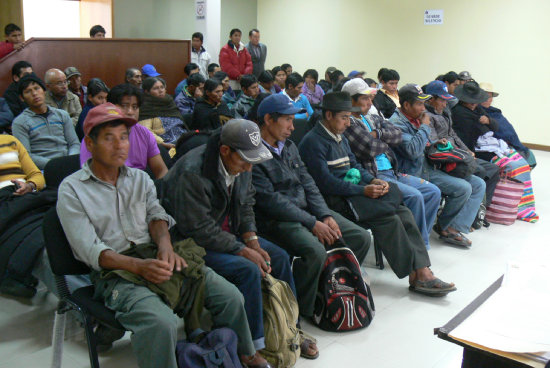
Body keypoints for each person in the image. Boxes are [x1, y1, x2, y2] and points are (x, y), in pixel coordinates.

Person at [58, 103, 256, 368]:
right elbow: (90, 249)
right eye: (109, 138)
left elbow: (157, 215)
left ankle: (243, 354)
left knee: (230, 297)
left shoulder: (139, 178)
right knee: (161, 323)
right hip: (115, 272)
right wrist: (139, 266)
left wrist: (165, 245)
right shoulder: (72, 190)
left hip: (154, 254)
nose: (120, 145)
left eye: (124, 137)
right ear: (90, 145)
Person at [161, 119, 313, 366]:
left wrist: (251, 239)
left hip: (226, 233)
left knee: (280, 257)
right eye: (244, 161)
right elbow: (198, 230)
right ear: (225, 151)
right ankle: (250, 347)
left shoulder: (242, 166)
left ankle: (290, 329)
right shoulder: (192, 173)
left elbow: (246, 204)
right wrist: (241, 250)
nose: (248, 168)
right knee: (248, 269)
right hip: (191, 243)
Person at [299, 92, 456, 296]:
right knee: (388, 218)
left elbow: (354, 165)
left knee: (403, 211)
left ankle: (421, 271)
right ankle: (417, 274)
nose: (348, 123)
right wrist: (363, 189)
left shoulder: (339, 137)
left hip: (352, 193)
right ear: (329, 115)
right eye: (344, 117)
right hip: (336, 200)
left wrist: (372, 180)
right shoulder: (313, 143)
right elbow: (325, 184)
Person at [251, 93, 371, 317]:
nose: (293, 127)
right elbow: (271, 201)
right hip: (277, 220)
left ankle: (331, 288)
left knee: (360, 237)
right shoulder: (254, 153)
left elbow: (308, 183)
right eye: (287, 120)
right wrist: (312, 222)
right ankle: (301, 310)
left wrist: (324, 215)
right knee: (315, 251)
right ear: (268, 119)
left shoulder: (289, 147)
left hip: (307, 211)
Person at [341, 79, 441, 250]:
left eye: (369, 98)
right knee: (414, 196)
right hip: (374, 175)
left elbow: (397, 135)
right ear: (351, 101)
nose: (370, 102)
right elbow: (368, 148)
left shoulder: (371, 118)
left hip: (392, 171)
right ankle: (417, 248)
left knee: (433, 192)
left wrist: (377, 134)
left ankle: (418, 240)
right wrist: (384, 140)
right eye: (364, 99)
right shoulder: (348, 123)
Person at [389, 84, 485, 247]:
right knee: (463, 188)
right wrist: (425, 127)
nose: (423, 108)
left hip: (431, 166)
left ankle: (452, 227)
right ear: (406, 105)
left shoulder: (416, 118)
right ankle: (444, 228)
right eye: (419, 104)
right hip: (415, 172)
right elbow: (412, 150)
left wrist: (435, 143)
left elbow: (424, 143)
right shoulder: (397, 123)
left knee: (478, 184)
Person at [452, 82, 538, 222]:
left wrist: (488, 121)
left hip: (490, 146)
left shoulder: (485, 111)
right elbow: (480, 132)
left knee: (522, 164)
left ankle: (522, 206)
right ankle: (494, 208)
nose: (486, 99)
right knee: (509, 166)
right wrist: (486, 124)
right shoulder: (460, 113)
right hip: (475, 150)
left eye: (489, 96)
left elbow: (495, 126)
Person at [424, 80, 500, 211]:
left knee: (493, 169)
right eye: (441, 100)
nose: (444, 104)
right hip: (445, 158)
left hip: (458, 151)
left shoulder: (445, 112)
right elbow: (435, 145)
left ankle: (479, 210)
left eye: (445, 100)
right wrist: (461, 155)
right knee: (478, 170)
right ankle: (468, 212)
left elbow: (453, 135)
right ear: (431, 99)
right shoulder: (428, 117)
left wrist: (466, 151)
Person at [80, 84, 168, 179]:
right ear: (111, 107)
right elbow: (91, 178)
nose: (130, 112)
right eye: (124, 106)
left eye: (134, 107)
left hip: (138, 186)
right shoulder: (95, 136)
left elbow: (161, 170)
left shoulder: (144, 133)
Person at [0, 134, 46, 297]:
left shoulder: (10, 141)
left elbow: (37, 175)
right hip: (3, 200)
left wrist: (30, 185)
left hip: (26, 195)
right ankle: (14, 272)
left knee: (54, 214)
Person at [12, 75, 80, 170]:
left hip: (68, 163)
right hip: (44, 169)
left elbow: (74, 143)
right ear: (22, 98)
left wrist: (69, 160)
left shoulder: (62, 115)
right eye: (28, 91)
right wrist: (54, 165)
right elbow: (26, 156)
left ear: (44, 91)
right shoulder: (20, 123)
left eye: (37, 88)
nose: (34, 94)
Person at [479, 82, 534, 165]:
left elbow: (508, 129)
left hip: (512, 143)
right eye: (484, 96)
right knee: (520, 163)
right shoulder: (477, 113)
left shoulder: (496, 112)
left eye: (489, 96)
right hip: (496, 147)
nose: (487, 99)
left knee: (530, 157)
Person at [139, 77, 187, 150]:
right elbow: (145, 131)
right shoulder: (145, 107)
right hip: (165, 144)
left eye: (162, 87)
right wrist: (163, 144)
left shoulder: (169, 101)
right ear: (147, 92)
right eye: (155, 88)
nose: (161, 90)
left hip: (183, 137)